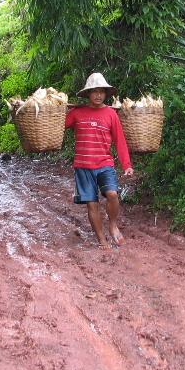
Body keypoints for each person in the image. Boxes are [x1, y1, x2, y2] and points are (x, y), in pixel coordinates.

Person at [65, 73, 134, 248]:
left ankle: (112, 224)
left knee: (112, 194)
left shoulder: (111, 114)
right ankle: (101, 239)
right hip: (83, 166)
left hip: (105, 164)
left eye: (101, 91)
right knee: (92, 204)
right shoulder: (77, 113)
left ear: (105, 93)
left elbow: (120, 140)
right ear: (88, 93)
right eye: (94, 91)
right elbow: (57, 124)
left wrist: (127, 164)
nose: (98, 95)